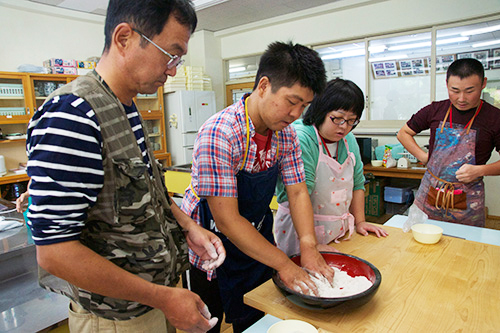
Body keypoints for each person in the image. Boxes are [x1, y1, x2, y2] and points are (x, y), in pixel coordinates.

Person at [25, 1, 225, 332]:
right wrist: (163, 298)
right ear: (124, 38)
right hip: (115, 319)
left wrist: (188, 226)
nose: (173, 69)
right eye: (170, 54)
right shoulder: (72, 115)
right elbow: (54, 253)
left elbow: (144, 190)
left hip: (154, 301)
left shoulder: (125, 105)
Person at [181, 41, 335, 332]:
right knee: (206, 322)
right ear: (264, 85)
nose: (296, 114)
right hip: (211, 242)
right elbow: (226, 219)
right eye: (292, 101)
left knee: (256, 318)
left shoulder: (285, 136)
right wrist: (286, 264)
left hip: (257, 236)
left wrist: (308, 245)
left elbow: (298, 190)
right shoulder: (221, 132)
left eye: (304, 105)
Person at [275, 79, 388, 256]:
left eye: (351, 121)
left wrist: (360, 222)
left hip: (337, 232)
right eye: (337, 118)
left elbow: (358, 183)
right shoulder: (302, 138)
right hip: (300, 233)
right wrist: (310, 244)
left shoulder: (348, 140)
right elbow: (300, 194)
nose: (344, 127)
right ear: (321, 110)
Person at [397, 58, 500, 226]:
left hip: (467, 200)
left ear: (483, 84)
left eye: (469, 91)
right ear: (446, 84)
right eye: (455, 90)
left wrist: (479, 170)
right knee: (419, 240)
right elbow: (404, 133)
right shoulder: (435, 110)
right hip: (430, 193)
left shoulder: (494, 118)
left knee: (464, 245)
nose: (461, 98)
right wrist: (425, 158)